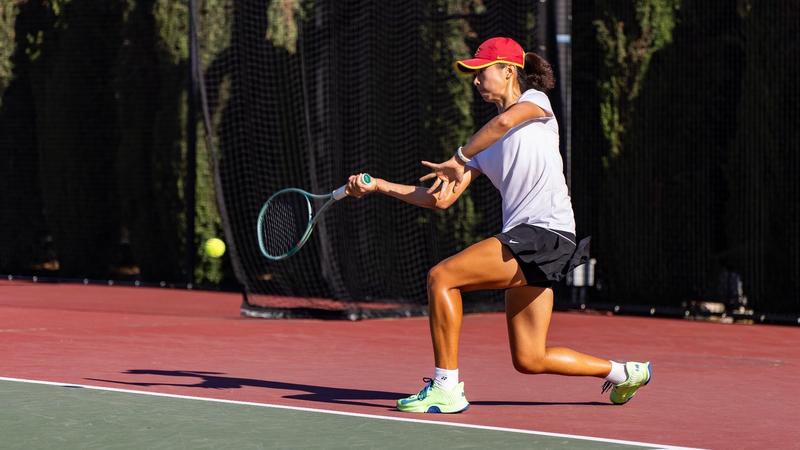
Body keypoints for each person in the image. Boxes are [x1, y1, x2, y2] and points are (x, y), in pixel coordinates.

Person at [346, 37, 651, 414]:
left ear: (508, 72)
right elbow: (439, 199)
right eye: (472, 73)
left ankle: (446, 387)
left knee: (442, 277)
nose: (474, 80)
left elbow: (505, 121)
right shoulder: (484, 145)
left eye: (480, 71)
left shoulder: (535, 103)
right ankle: (625, 372)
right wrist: (378, 185)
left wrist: (460, 155)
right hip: (543, 243)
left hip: (543, 233)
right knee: (530, 358)